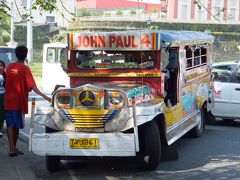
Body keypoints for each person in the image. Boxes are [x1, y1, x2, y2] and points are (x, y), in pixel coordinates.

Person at [4, 45, 51, 157]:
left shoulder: (9, 67)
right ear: (25, 55)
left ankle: (13, 148)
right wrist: (46, 97)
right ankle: (12, 148)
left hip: (8, 99)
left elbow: (5, 81)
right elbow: (33, 86)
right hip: (18, 101)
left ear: (16, 54)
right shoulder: (25, 69)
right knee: (15, 125)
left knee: (10, 124)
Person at [0, 60, 6, 137]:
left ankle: (0, 130)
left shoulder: (6, 75)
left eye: (1, 66)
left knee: (1, 115)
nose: (0, 67)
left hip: (3, 96)